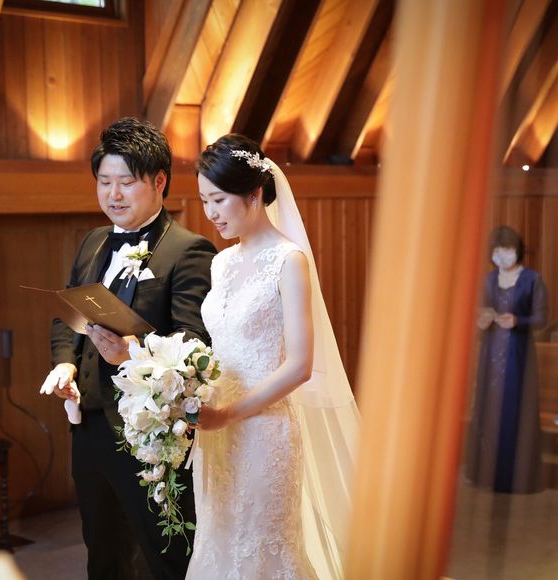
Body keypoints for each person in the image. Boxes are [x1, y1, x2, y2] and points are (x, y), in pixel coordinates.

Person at [39, 117, 217, 580]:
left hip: (150, 435)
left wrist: (134, 355)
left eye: (126, 182)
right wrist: (65, 364)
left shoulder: (190, 250)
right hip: (89, 427)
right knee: (103, 554)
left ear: (159, 182)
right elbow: (68, 314)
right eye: (104, 182)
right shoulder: (93, 241)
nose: (113, 194)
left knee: (164, 557)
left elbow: (195, 344)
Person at [185, 134, 359, 579]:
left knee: (261, 551)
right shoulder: (221, 263)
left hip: (264, 433)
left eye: (219, 200)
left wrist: (228, 414)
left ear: (254, 194)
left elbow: (300, 366)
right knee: (217, 543)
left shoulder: (289, 260)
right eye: (204, 201)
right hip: (215, 433)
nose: (210, 213)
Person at [467, 225, 547, 493]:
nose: (502, 256)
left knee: (515, 410)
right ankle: (486, 476)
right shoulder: (488, 280)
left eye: (508, 250)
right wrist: (481, 320)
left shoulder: (532, 279)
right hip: (490, 352)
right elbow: (477, 314)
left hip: (517, 354)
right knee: (488, 409)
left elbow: (541, 318)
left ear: (518, 251)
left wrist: (518, 321)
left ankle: (515, 478)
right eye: (497, 251)